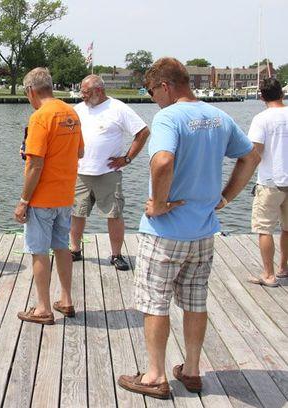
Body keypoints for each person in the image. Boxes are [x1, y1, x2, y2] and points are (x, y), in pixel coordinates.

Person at [117, 57, 260, 399]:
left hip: (165, 233)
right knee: (196, 302)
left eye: (152, 92)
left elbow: (163, 161)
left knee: (155, 303)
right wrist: (225, 198)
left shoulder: (168, 117)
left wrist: (161, 203)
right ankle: (192, 370)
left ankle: (155, 376)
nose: (153, 99)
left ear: (165, 86)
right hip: (203, 232)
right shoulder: (219, 116)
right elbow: (250, 156)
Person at [15, 67, 83, 325]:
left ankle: (43, 308)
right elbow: (79, 153)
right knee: (62, 246)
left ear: (31, 91)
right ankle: (66, 299)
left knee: (38, 251)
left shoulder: (40, 117)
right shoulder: (71, 113)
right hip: (65, 195)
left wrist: (23, 201)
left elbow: (35, 164)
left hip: (42, 197)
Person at [70, 74, 150, 270]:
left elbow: (143, 132)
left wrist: (127, 158)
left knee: (114, 214)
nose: (83, 96)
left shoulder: (118, 108)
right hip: (80, 171)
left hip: (108, 172)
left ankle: (116, 255)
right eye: (82, 92)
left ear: (99, 91)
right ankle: (74, 250)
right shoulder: (77, 110)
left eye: (86, 92)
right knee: (76, 212)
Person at [247, 78, 288, 287]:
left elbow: (256, 150)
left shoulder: (261, 119)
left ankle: (269, 274)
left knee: (265, 229)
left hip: (270, 181)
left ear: (261, 96)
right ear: (281, 93)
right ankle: (283, 268)